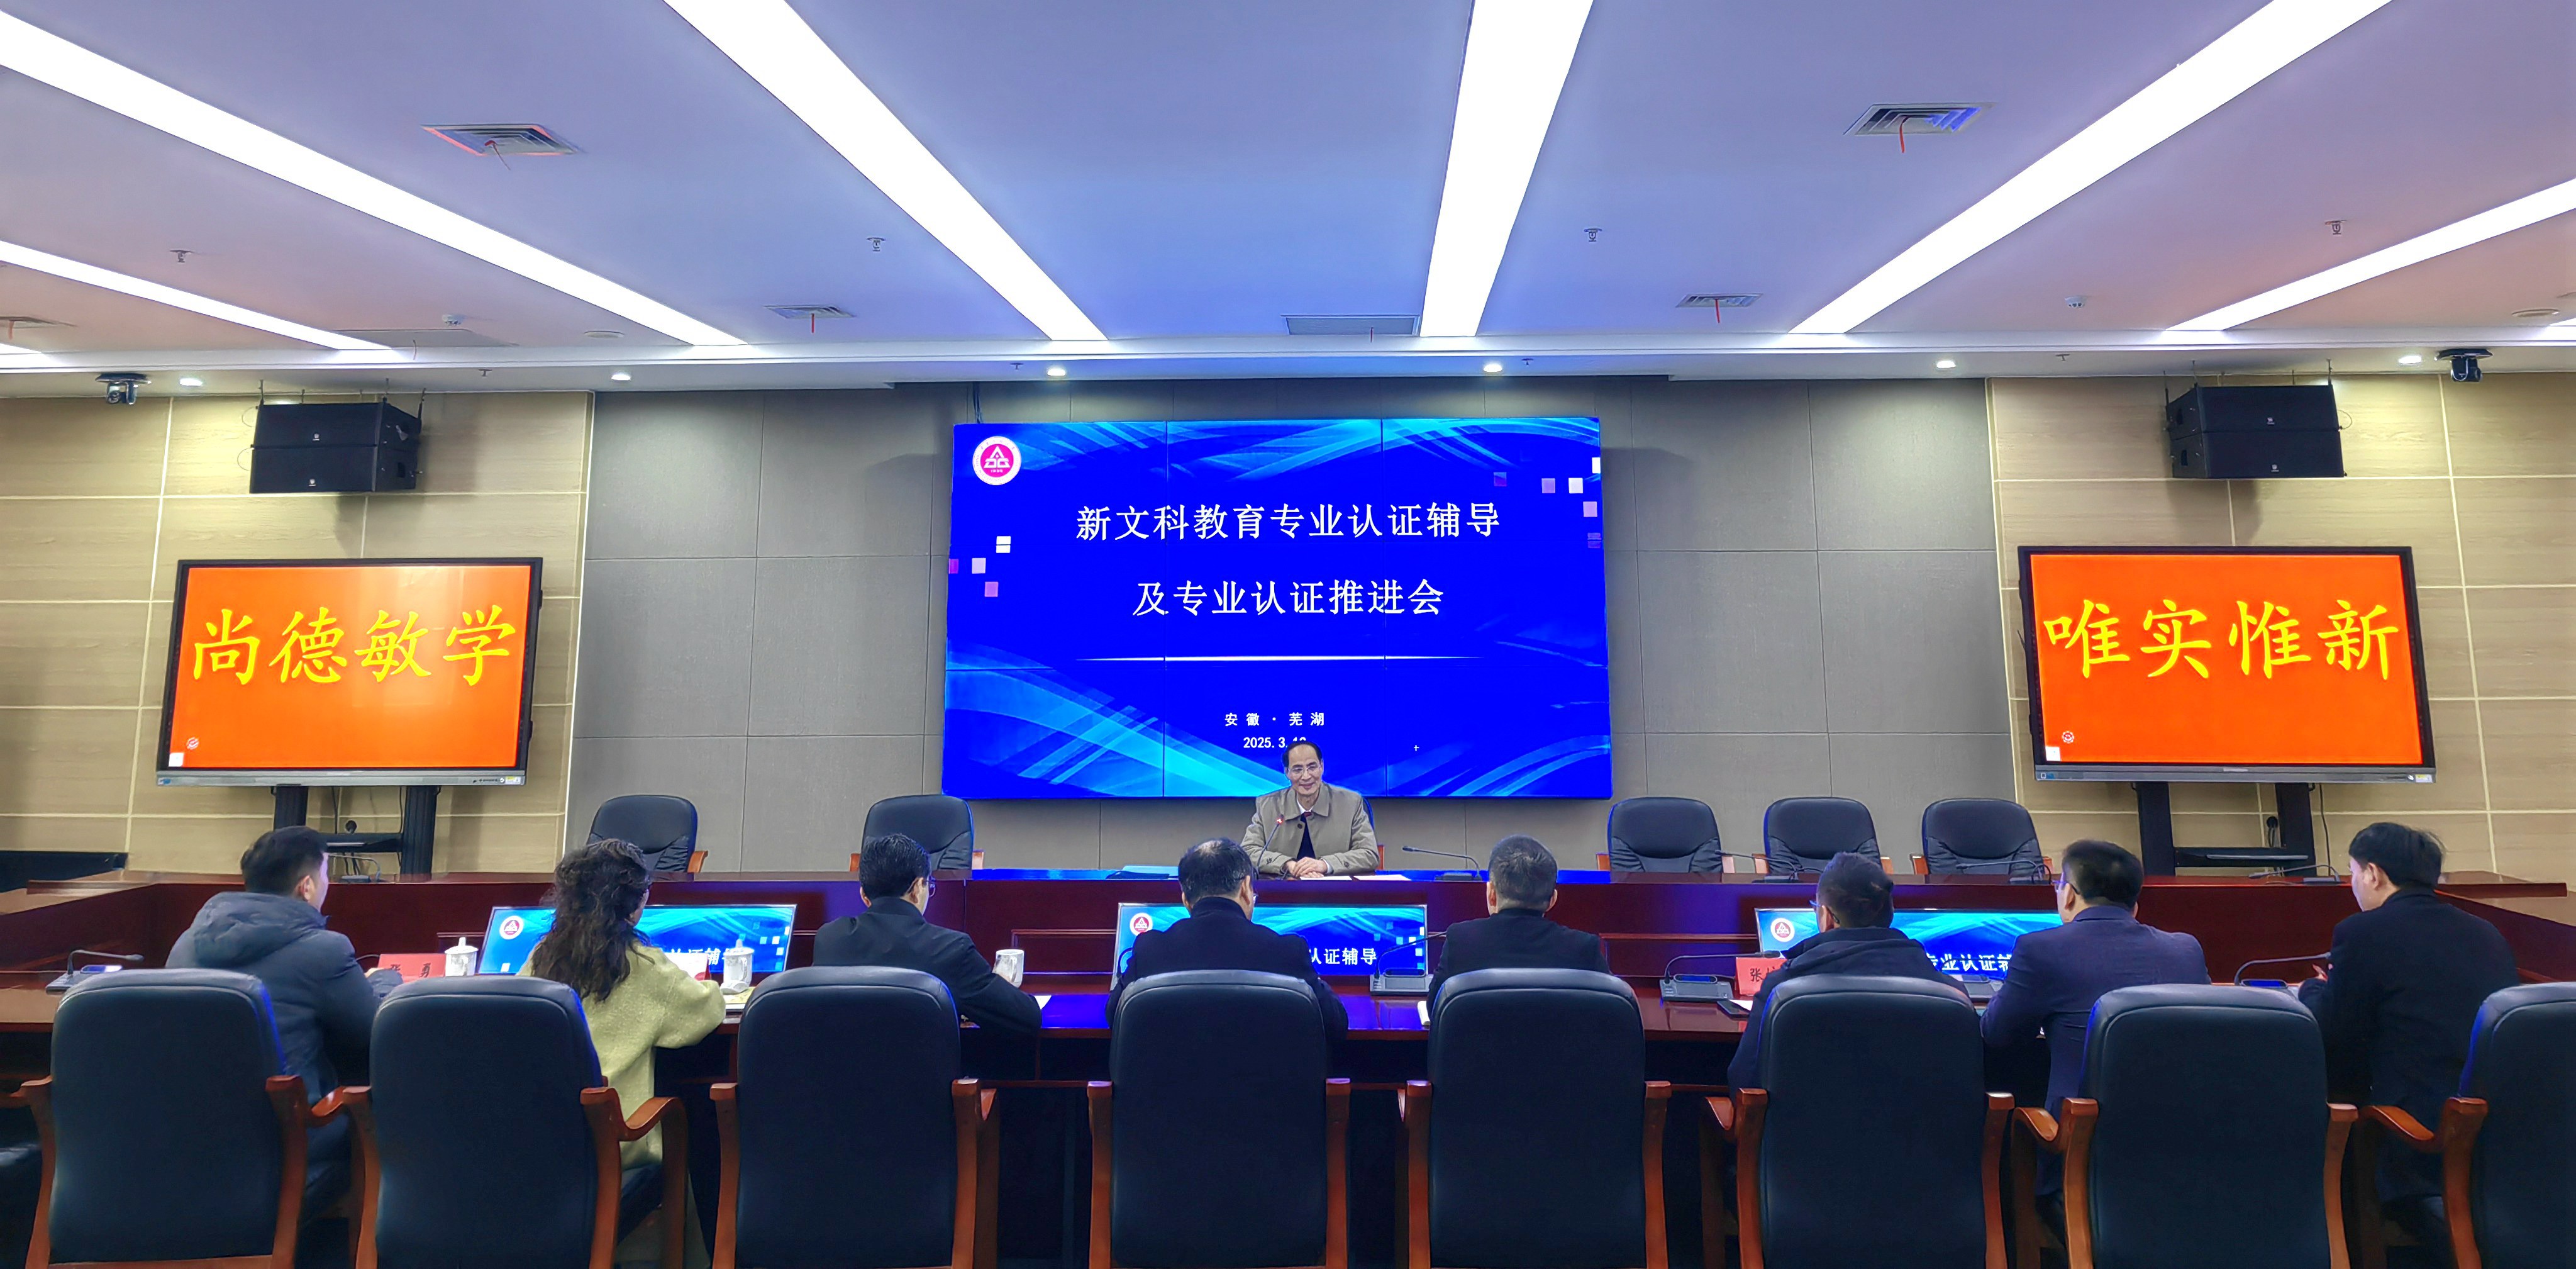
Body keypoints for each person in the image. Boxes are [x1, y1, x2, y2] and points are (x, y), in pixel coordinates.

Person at [2300, 822, 2518, 1255]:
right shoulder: (2486, 933)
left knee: (2328, 1113)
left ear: (2374, 874)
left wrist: (2313, 991)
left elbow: (2339, 1039)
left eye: (2352, 873)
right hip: (2497, 1138)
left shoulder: (2362, 932)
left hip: (2417, 1141)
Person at [167, 827, 399, 1207]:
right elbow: (379, 1033)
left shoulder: (186, 945)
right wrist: (386, 980)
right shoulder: (324, 950)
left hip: (188, 1143)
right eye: (326, 874)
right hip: (287, 1145)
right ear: (306, 887)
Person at [1980, 839, 2206, 1198]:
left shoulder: (2040, 949)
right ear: (2135, 904)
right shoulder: (2185, 949)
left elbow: (1997, 1034)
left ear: (2069, 895)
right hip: (2180, 1154)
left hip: (2079, 1161)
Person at [522, 839, 725, 1170]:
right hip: (613, 1147)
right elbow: (707, 1011)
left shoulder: (540, 957)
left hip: (537, 1142)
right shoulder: (645, 967)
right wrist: (715, 985)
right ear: (637, 902)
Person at [1728, 852, 1956, 1090]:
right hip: (1918, 1116)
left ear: (1827, 917)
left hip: (1808, 1116)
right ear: (1890, 913)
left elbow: (1744, 1081)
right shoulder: (1948, 991)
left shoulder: (1783, 987)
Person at [1108, 838, 1347, 1038]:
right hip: (1269, 1082)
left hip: (1169, 1082)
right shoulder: (1287, 951)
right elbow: (1335, 1025)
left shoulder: (1150, 950)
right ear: (1246, 888)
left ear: (1185, 899)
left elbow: (1114, 1016)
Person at [813, 833, 1041, 1036]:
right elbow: (1027, 1018)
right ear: (917, 889)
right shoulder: (951, 949)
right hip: (921, 1073)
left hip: (841, 1072)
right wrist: (1000, 986)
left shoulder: (831, 939)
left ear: (864, 895)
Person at [1428, 836, 1610, 999]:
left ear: (1491, 894)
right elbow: (1613, 1011)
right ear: (1552, 900)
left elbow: (1435, 1008)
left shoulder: (1461, 941)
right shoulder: (1584, 948)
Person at [1241, 740, 1380, 877]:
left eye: (1312, 767)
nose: (1306, 776)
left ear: (1322, 767)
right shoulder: (1268, 805)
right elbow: (1248, 851)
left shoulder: (1351, 802)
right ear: (1287, 772)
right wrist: (1287, 864)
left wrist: (1325, 865)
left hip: (1336, 889)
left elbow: (1369, 854)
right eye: (1298, 770)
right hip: (1285, 888)